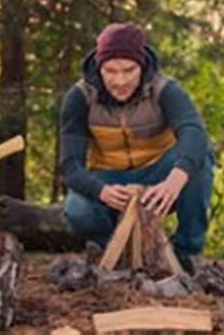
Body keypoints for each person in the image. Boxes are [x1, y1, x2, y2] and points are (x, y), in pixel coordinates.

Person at [59, 22, 214, 272]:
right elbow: (70, 166)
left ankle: (188, 252)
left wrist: (174, 180)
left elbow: (194, 133)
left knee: (201, 156)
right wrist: (100, 191)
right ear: (99, 67)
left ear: (142, 66)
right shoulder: (79, 97)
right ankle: (109, 249)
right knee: (77, 211)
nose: (120, 80)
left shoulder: (165, 90)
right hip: (107, 179)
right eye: (111, 71)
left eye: (129, 70)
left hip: (157, 174)